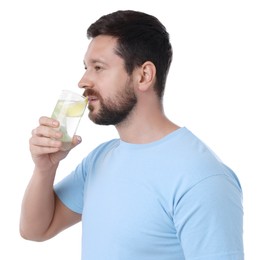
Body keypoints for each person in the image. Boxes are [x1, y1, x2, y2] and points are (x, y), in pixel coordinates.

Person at [20, 10, 244, 260]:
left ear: (144, 75)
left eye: (98, 67)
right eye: (86, 67)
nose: (83, 81)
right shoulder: (101, 159)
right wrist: (45, 168)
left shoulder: (202, 178)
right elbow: (36, 230)